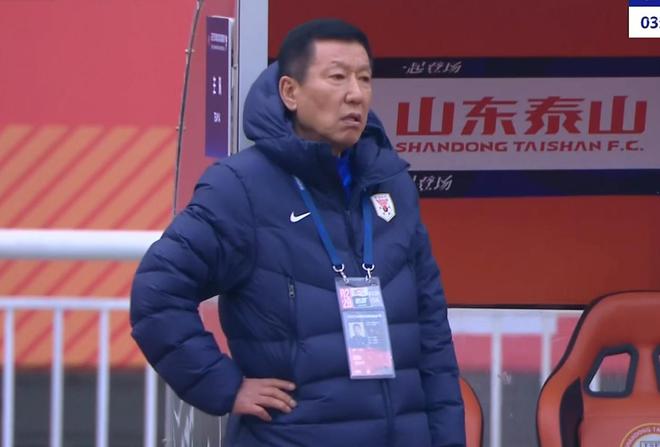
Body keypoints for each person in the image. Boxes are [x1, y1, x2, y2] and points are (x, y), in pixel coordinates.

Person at [130, 18, 465, 447]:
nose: (355, 94)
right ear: (290, 92)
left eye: (365, 79)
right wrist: (223, 385)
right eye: (337, 77)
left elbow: (431, 331)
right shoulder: (240, 187)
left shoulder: (390, 183)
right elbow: (157, 293)